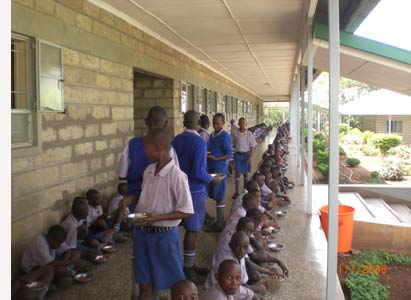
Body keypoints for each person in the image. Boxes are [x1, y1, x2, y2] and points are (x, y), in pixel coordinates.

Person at [133, 128, 194, 300]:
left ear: (158, 147)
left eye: (146, 147)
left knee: (177, 287)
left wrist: (157, 218)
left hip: (165, 238)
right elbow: (150, 197)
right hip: (143, 235)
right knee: (145, 285)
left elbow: (186, 211)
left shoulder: (177, 176)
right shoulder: (149, 171)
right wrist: (131, 198)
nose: (144, 151)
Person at [172, 110, 224, 282]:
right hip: (194, 191)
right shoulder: (199, 142)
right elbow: (198, 171)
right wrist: (211, 179)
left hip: (176, 190)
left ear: (184, 122)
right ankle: (188, 268)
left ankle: (182, 264)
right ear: (197, 123)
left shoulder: (175, 140)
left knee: (174, 228)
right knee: (192, 230)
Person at [117, 106, 180, 212]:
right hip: (160, 197)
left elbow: (121, 175)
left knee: (138, 223)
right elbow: (175, 174)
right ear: (165, 123)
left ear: (146, 122)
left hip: (135, 196)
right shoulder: (167, 147)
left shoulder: (132, 144)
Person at [205, 231, 264, 300]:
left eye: (238, 278)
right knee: (260, 290)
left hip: (228, 288)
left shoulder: (240, 256)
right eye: (229, 278)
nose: (241, 251)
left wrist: (252, 295)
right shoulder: (226, 262)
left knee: (258, 292)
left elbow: (240, 287)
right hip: (218, 287)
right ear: (230, 246)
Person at [206, 113, 232, 232]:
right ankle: (217, 220)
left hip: (219, 169)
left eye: (218, 123)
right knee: (214, 194)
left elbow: (228, 154)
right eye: (214, 123)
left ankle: (220, 222)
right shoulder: (212, 135)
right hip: (211, 168)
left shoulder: (224, 136)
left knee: (219, 195)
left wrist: (216, 158)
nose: (215, 125)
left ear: (223, 123)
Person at [231, 117, 257, 199]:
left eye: (243, 123)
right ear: (238, 124)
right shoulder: (235, 133)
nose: (242, 124)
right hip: (238, 154)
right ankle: (236, 192)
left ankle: (245, 190)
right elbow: (233, 143)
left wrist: (250, 156)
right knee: (237, 173)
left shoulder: (249, 134)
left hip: (246, 155)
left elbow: (253, 145)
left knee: (245, 173)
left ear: (246, 124)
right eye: (240, 123)